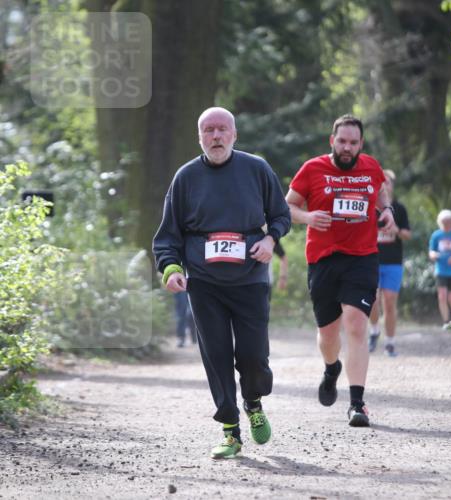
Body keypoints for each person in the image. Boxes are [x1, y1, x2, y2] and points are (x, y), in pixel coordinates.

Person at [153, 107, 291, 459]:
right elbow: (168, 236)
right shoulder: (185, 178)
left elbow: (281, 214)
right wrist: (171, 269)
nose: (216, 136)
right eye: (209, 130)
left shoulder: (257, 169)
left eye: (222, 130)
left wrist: (270, 240)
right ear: (199, 136)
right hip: (205, 283)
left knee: (254, 356)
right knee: (215, 355)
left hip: (250, 278)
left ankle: (253, 401)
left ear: (234, 135)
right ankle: (230, 431)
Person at [285, 114, 395, 427]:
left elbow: (381, 189)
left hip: (362, 258)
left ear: (361, 144)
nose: (347, 148)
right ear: (332, 141)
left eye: (353, 143)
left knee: (356, 325)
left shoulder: (370, 166)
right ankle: (331, 367)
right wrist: (308, 218)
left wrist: (384, 210)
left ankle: (357, 404)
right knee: (328, 335)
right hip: (323, 259)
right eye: (342, 142)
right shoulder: (312, 168)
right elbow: (287, 206)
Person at [368, 170, 411, 357]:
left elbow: (408, 235)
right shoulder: (369, 207)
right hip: (370, 260)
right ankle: (375, 330)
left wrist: (396, 229)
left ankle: (391, 343)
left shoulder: (399, 209)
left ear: (392, 186)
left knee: (390, 303)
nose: (384, 185)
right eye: (381, 182)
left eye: (387, 182)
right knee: (372, 301)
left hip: (393, 262)